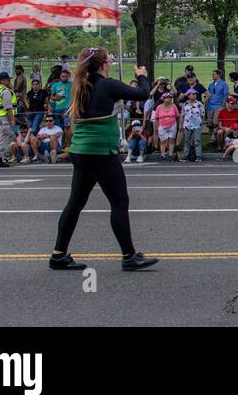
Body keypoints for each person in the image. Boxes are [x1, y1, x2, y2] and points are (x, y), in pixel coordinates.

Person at [49, 47, 158, 271]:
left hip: (81, 151)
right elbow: (142, 94)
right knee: (119, 201)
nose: (111, 62)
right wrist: (141, 75)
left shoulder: (81, 85)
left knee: (76, 203)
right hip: (99, 152)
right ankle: (129, 256)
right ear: (103, 64)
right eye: (109, 59)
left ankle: (58, 255)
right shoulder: (106, 85)